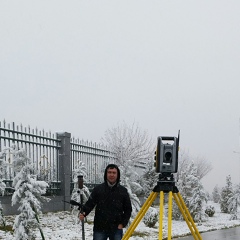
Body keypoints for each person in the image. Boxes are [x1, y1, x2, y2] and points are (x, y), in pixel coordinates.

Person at [79, 163, 132, 240]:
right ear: (106, 174)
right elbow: (90, 204)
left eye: (114, 173)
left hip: (116, 227)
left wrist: (123, 223)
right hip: (100, 227)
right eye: (109, 172)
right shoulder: (98, 189)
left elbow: (128, 209)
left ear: (117, 175)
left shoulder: (123, 191)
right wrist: (84, 212)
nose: (111, 175)